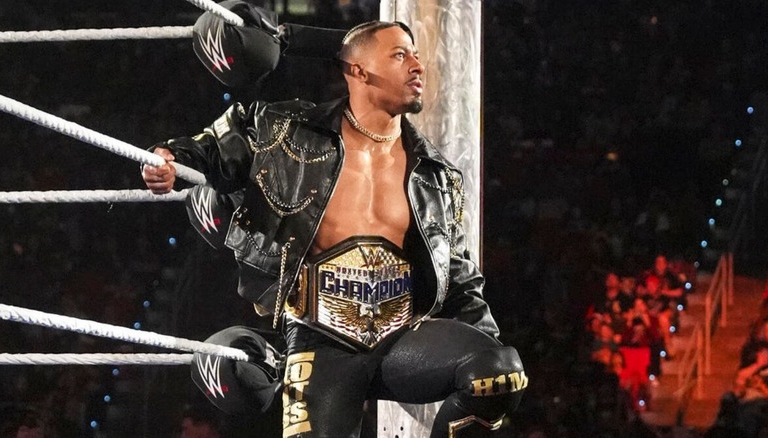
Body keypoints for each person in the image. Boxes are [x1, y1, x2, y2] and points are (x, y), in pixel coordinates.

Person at [143, 20, 526, 437]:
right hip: (320, 337)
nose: (418, 65)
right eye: (400, 55)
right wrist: (169, 159)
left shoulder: (436, 175)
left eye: (416, 54)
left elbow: (458, 275)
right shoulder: (288, 131)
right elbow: (215, 146)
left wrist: (483, 343)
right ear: (358, 71)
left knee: (499, 372)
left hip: (401, 337)